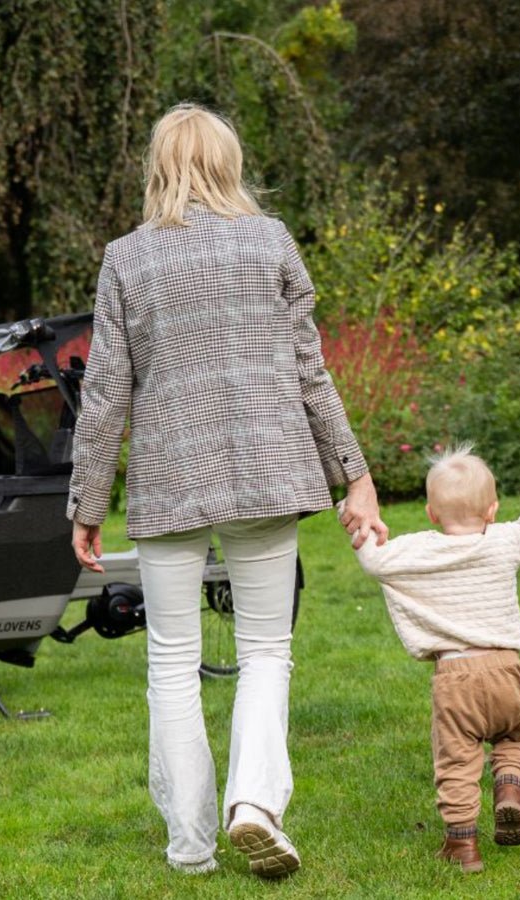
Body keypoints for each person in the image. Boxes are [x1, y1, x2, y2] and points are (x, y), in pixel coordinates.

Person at [66, 103, 389, 878]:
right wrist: (356, 473)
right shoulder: (269, 241)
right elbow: (311, 371)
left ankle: (190, 845)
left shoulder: (126, 259)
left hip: (170, 478)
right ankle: (253, 803)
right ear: (227, 164)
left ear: (160, 168)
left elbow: (104, 392)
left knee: (171, 664)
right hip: (269, 470)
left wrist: (86, 504)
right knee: (266, 652)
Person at [352, 446, 520, 873]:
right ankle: (509, 788)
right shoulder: (503, 540)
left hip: (455, 676)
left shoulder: (422, 549)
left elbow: (375, 561)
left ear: (431, 513)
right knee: (513, 736)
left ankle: (463, 845)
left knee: (457, 759)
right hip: (506, 669)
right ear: (492, 509)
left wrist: (359, 518)